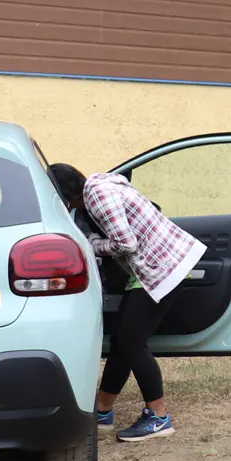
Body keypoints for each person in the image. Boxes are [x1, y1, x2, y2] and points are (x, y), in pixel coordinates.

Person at [47, 164, 204, 442]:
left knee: (132, 341)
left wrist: (89, 244)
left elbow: (125, 243)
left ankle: (158, 416)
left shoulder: (97, 197)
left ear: (66, 194)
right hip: (153, 267)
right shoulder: (99, 186)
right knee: (123, 339)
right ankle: (103, 409)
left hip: (160, 268)